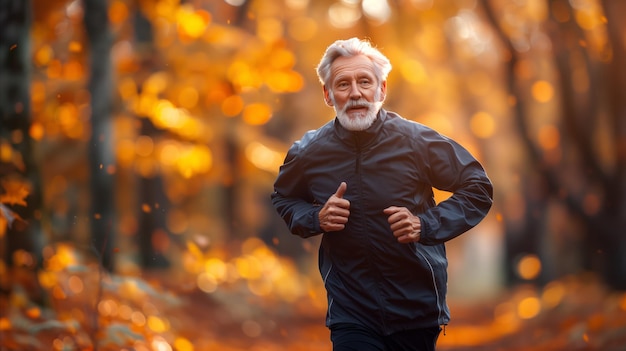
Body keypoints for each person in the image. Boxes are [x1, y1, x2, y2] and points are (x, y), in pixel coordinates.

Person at [271, 37, 493, 351]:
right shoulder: (309, 152)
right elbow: (283, 197)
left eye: (365, 81)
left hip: (416, 309)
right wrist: (315, 217)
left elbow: (477, 187)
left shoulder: (416, 141)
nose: (356, 93)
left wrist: (424, 225)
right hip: (351, 311)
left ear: (382, 89)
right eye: (343, 84)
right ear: (328, 94)